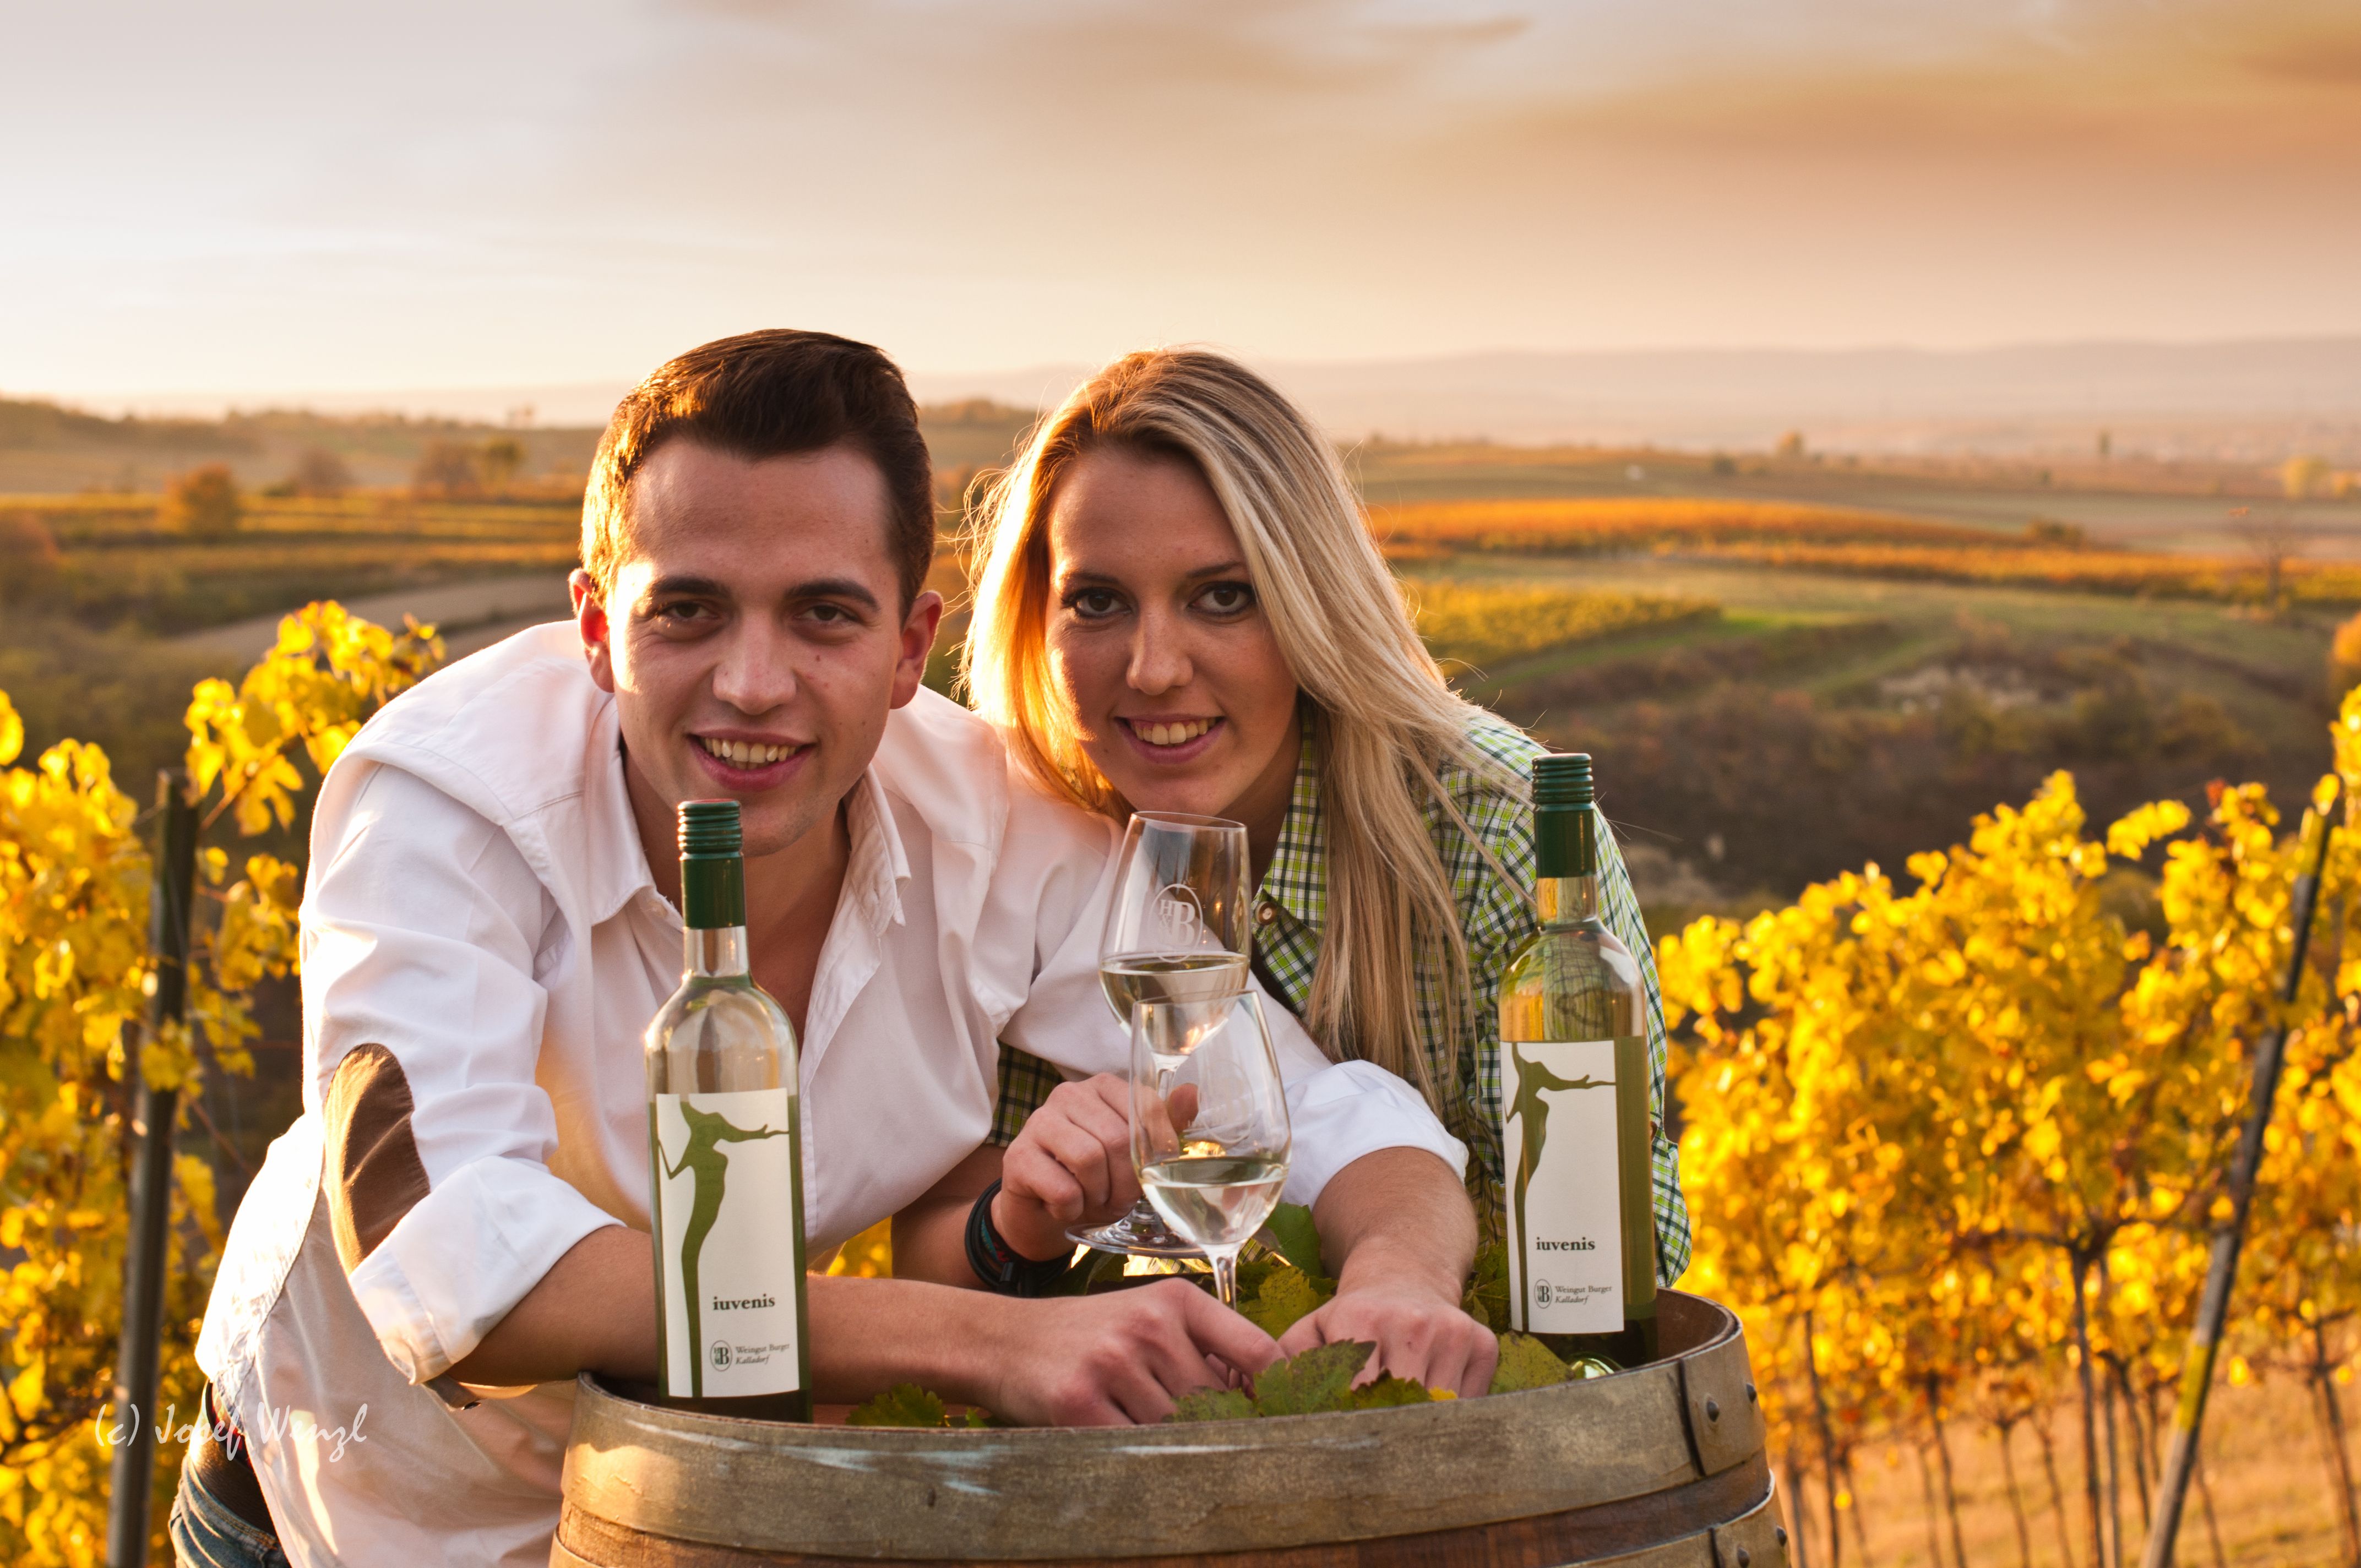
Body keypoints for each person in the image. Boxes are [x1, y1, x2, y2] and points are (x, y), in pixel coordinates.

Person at [179, 331, 1475, 1568]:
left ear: (911, 646)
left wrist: (1400, 1276)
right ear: (593, 626)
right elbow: (456, 1263)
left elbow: (1317, 1104)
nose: (752, 681)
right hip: (352, 1513)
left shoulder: (987, 821)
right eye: (685, 610)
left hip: (696, 1514)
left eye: (821, 616)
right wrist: (987, 1341)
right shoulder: (445, 804)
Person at [961, 349, 1694, 1354]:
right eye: (1097, 602)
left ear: (1312, 597)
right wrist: (1032, 1225)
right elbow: (979, 1272)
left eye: (1224, 596)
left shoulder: (1490, 824)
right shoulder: (1030, 844)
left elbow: (1623, 1250)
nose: (1154, 668)